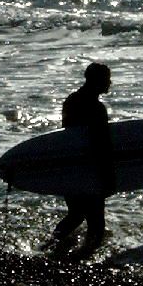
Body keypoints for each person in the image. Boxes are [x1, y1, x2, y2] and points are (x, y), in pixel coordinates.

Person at [46, 62, 114, 256]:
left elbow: (69, 136)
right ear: (98, 81)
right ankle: (83, 259)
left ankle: (50, 247)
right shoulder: (96, 108)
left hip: (70, 167)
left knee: (76, 214)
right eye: (107, 79)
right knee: (96, 224)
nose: (110, 83)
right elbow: (102, 145)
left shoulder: (72, 100)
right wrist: (108, 176)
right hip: (90, 171)